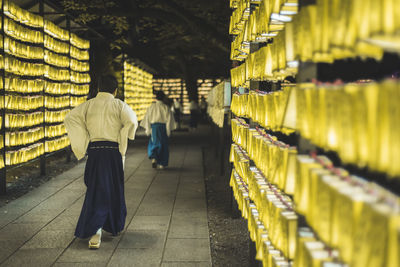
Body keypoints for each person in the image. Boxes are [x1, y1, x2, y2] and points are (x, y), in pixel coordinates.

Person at [64, 75, 138, 249]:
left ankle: (99, 226)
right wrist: (123, 135)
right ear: (115, 90)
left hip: (95, 152)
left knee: (97, 188)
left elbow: (70, 118)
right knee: (111, 188)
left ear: (98, 89)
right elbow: (132, 121)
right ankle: (100, 227)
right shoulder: (119, 105)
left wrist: (85, 137)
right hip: (112, 153)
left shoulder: (88, 105)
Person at [140, 91, 176, 169]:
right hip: (163, 128)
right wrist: (168, 131)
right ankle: (162, 163)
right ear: (163, 98)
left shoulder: (151, 107)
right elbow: (169, 120)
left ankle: (154, 158)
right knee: (163, 145)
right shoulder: (166, 107)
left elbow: (147, 119)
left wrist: (148, 129)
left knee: (154, 143)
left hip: (154, 128)